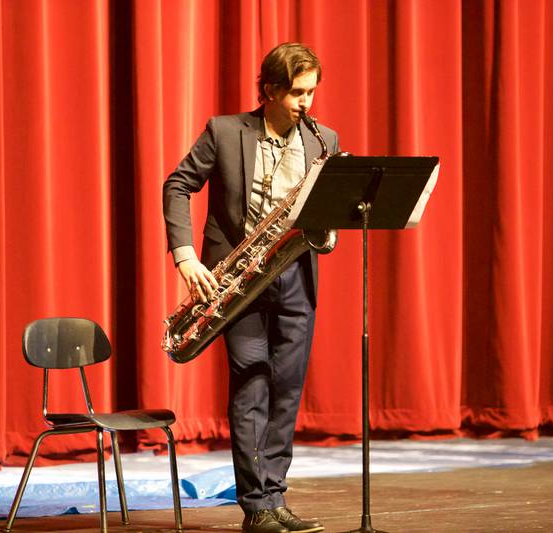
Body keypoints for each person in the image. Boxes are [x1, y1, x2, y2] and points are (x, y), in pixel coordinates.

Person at [162, 43, 339, 533]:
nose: (307, 104)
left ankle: (276, 495)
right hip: (236, 280)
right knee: (252, 385)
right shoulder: (223, 131)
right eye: (297, 94)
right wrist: (186, 257)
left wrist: (331, 227)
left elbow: (328, 214)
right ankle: (256, 506)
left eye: (311, 93)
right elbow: (177, 185)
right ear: (270, 91)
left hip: (295, 278)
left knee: (287, 391)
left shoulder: (323, 139)